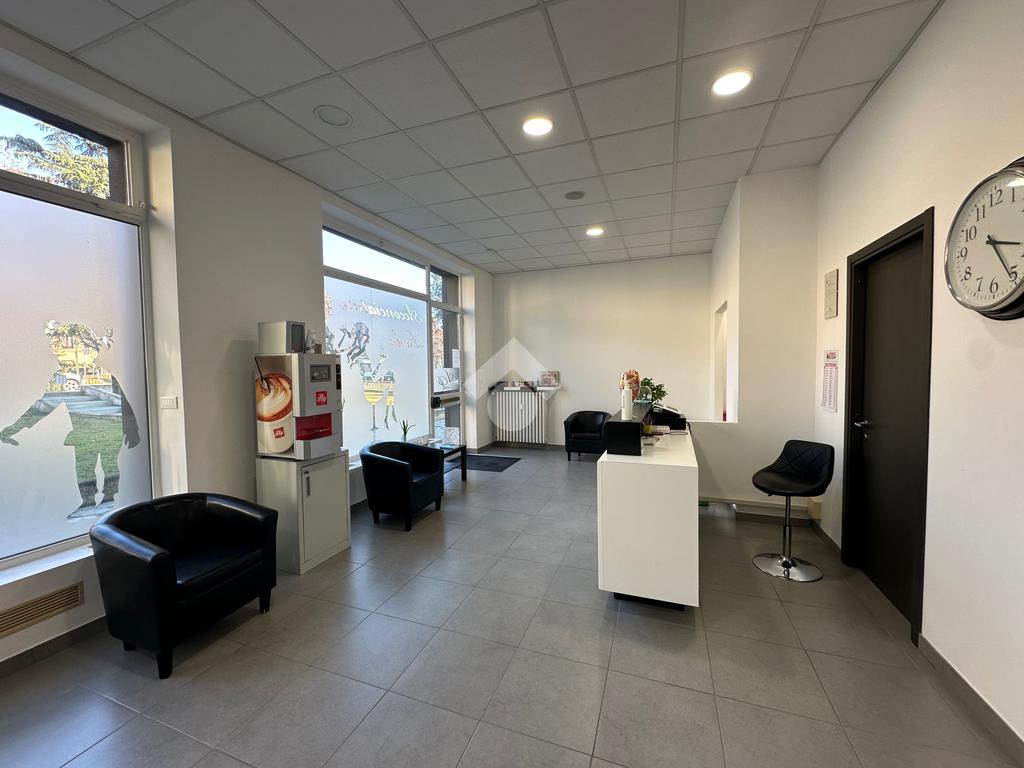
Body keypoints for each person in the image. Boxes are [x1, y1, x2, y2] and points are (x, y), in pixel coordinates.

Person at [0, 321, 139, 516]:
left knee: (109, 464)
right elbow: (43, 406)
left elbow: (122, 402)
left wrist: (132, 429)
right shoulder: (62, 378)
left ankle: (109, 497)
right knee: (84, 466)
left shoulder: (103, 375)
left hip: (110, 430)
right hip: (83, 431)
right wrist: (15, 427)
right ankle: (88, 500)